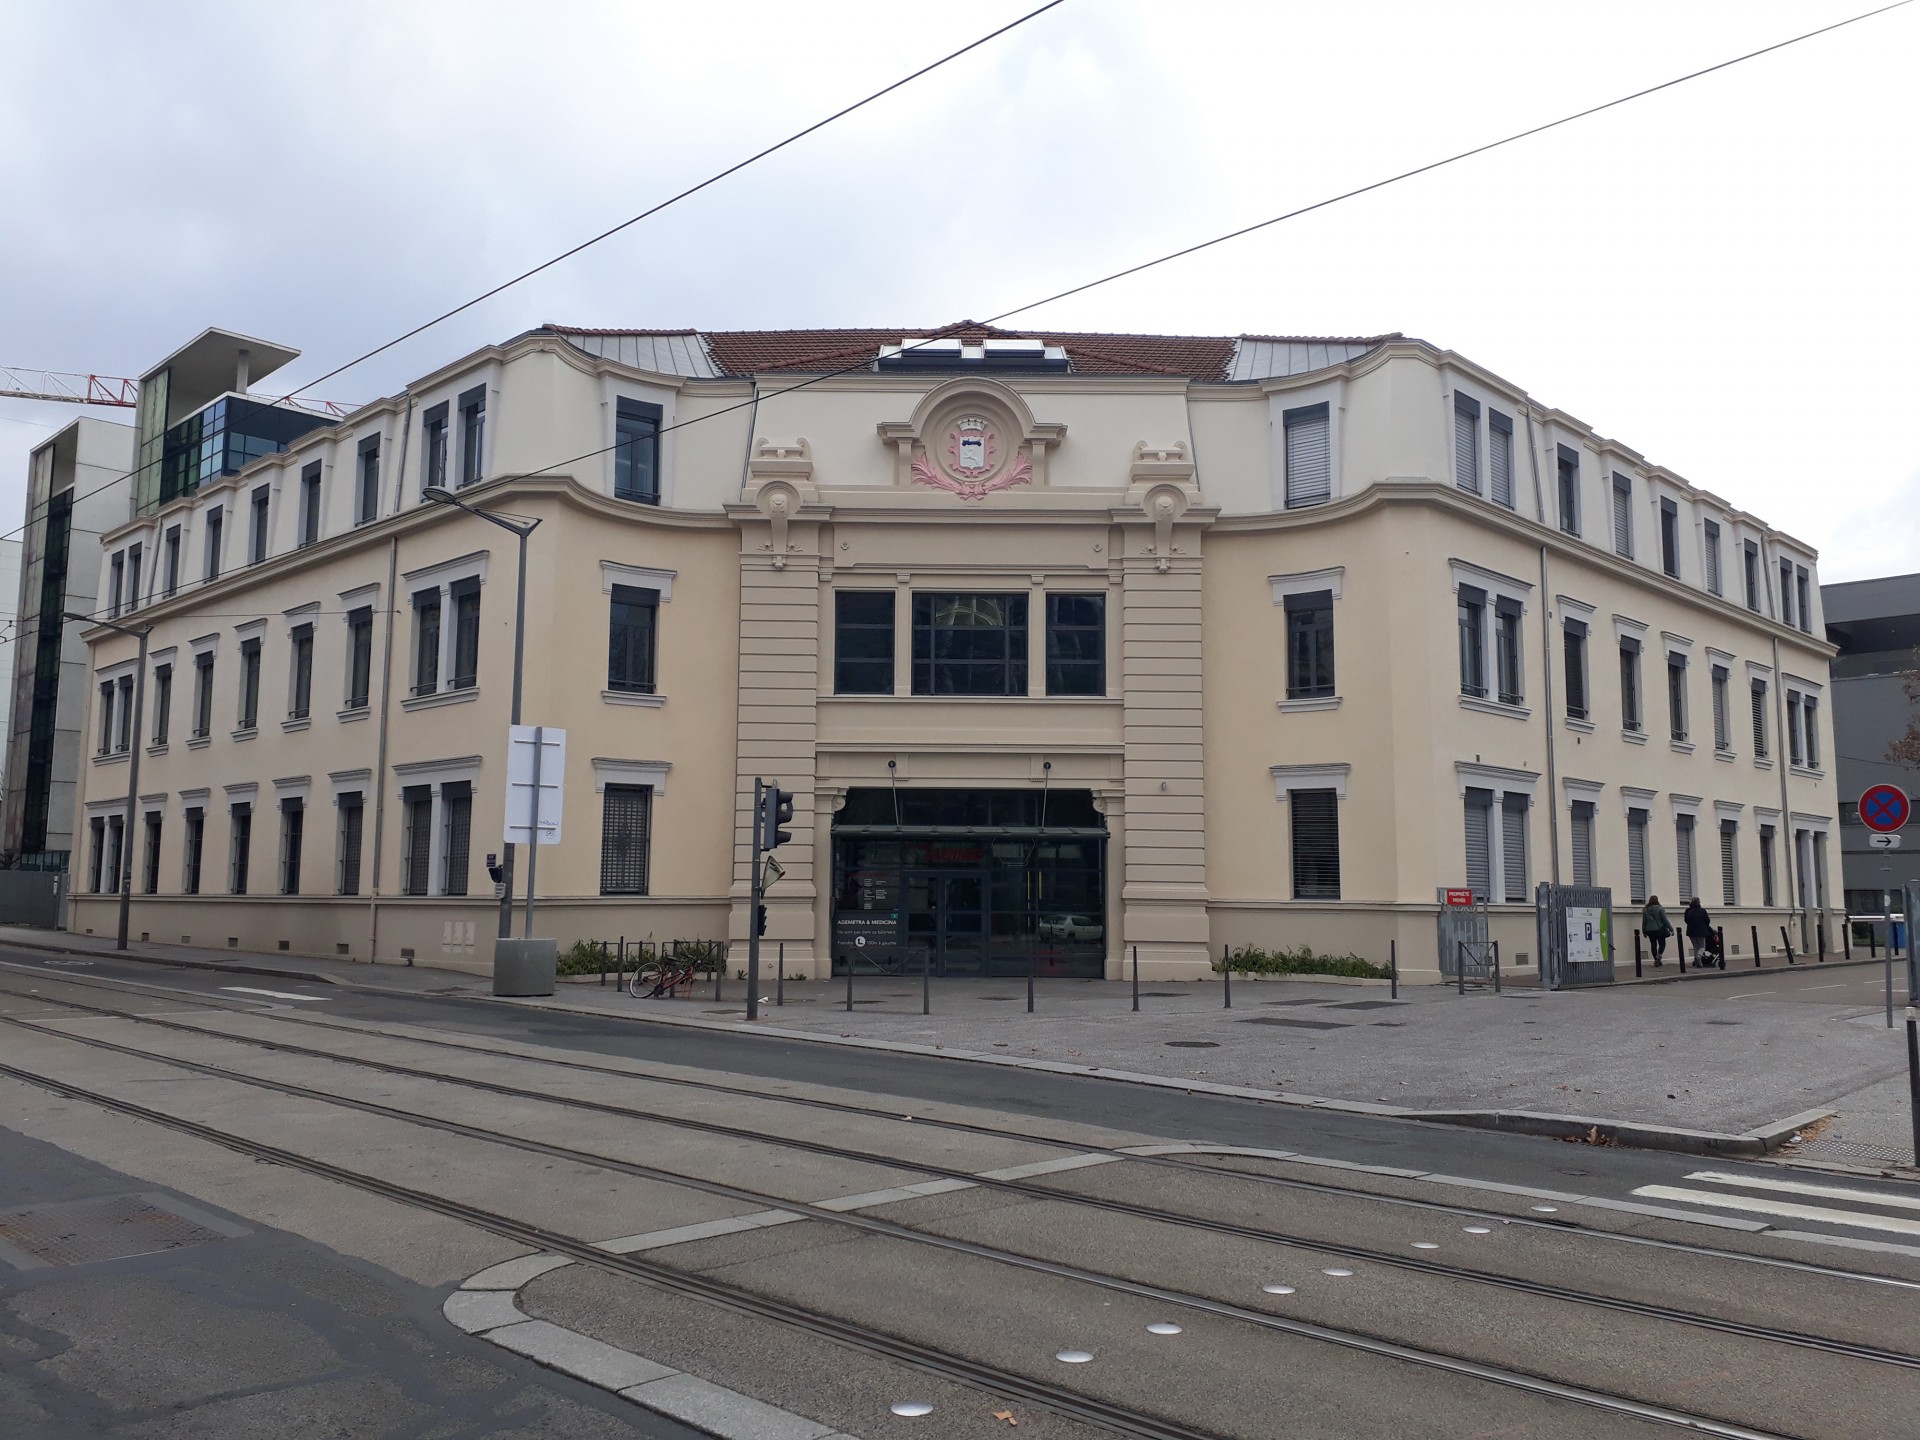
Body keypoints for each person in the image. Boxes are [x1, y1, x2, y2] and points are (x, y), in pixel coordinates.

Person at [1684, 896, 1720, 968]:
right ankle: (1698, 956)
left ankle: (1698, 961)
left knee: (1695, 946)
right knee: (1702, 946)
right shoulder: (1702, 910)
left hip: (1691, 931)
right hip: (1701, 931)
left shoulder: (1688, 910)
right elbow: (1707, 921)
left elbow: (1686, 921)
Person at [1641, 895, 1672, 966]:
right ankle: (1659, 956)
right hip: (1659, 929)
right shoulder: (1660, 909)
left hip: (1649, 930)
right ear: (1657, 900)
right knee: (1662, 944)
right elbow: (1665, 920)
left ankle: (1656, 960)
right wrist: (1671, 929)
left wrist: (1644, 931)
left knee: (1653, 945)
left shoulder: (1646, 909)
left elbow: (1644, 921)